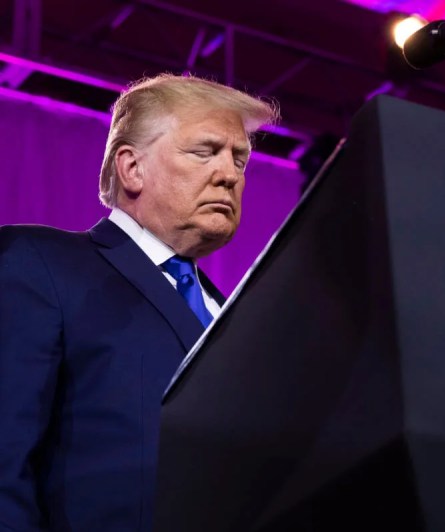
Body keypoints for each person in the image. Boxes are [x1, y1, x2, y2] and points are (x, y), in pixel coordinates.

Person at [0, 74, 278, 531]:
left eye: (239, 158)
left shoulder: (237, 317)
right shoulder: (41, 265)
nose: (230, 175)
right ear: (132, 168)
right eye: (205, 151)